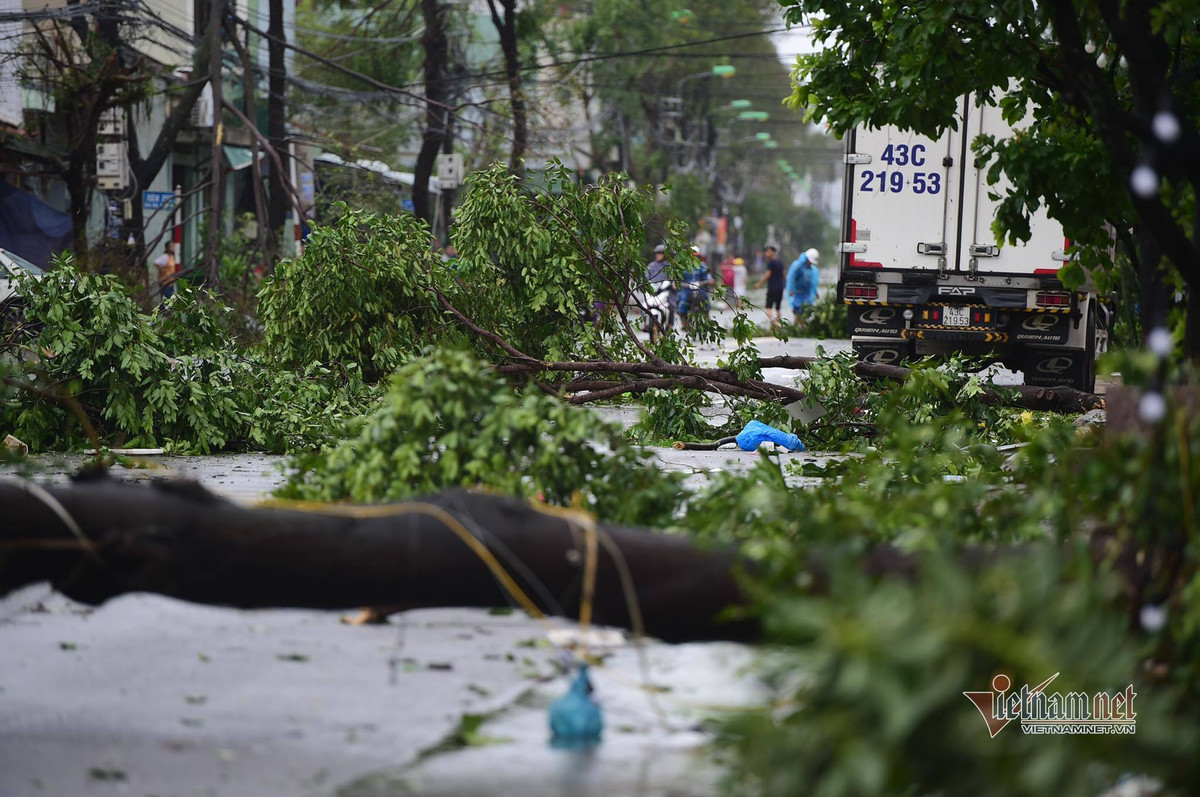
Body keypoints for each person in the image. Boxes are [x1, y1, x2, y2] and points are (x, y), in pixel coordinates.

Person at [642, 244, 675, 341]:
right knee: (644, 304)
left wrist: (673, 283)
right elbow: (646, 276)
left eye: (660, 253)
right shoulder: (651, 265)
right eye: (657, 253)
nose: (658, 255)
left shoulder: (668, 266)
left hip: (665, 292)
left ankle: (670, 324)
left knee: (671, 304)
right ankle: (645, 323)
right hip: (653, 291)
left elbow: (672, 277)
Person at [753, 244, 786, 326]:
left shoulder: (771, 263)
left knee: (768, 307)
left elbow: (768, 275)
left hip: (772, 288)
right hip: (780, 288)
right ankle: (779, 324)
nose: (766, 253)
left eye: (768, 252)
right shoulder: (780, 262)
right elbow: (784, 274)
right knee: (778, 308)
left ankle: (773, 322)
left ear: (773, 252)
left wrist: (759, 284)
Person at [787, 247, 821, 323]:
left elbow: (813, 283)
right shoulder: (798, 266)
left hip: (806, 294)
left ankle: (802, 326)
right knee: (797, 312)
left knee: (806, 312)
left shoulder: (812, 270)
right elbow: (792, 278)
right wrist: (791, 289)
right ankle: (796, 327)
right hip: (797, 293)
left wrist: (815, 293)